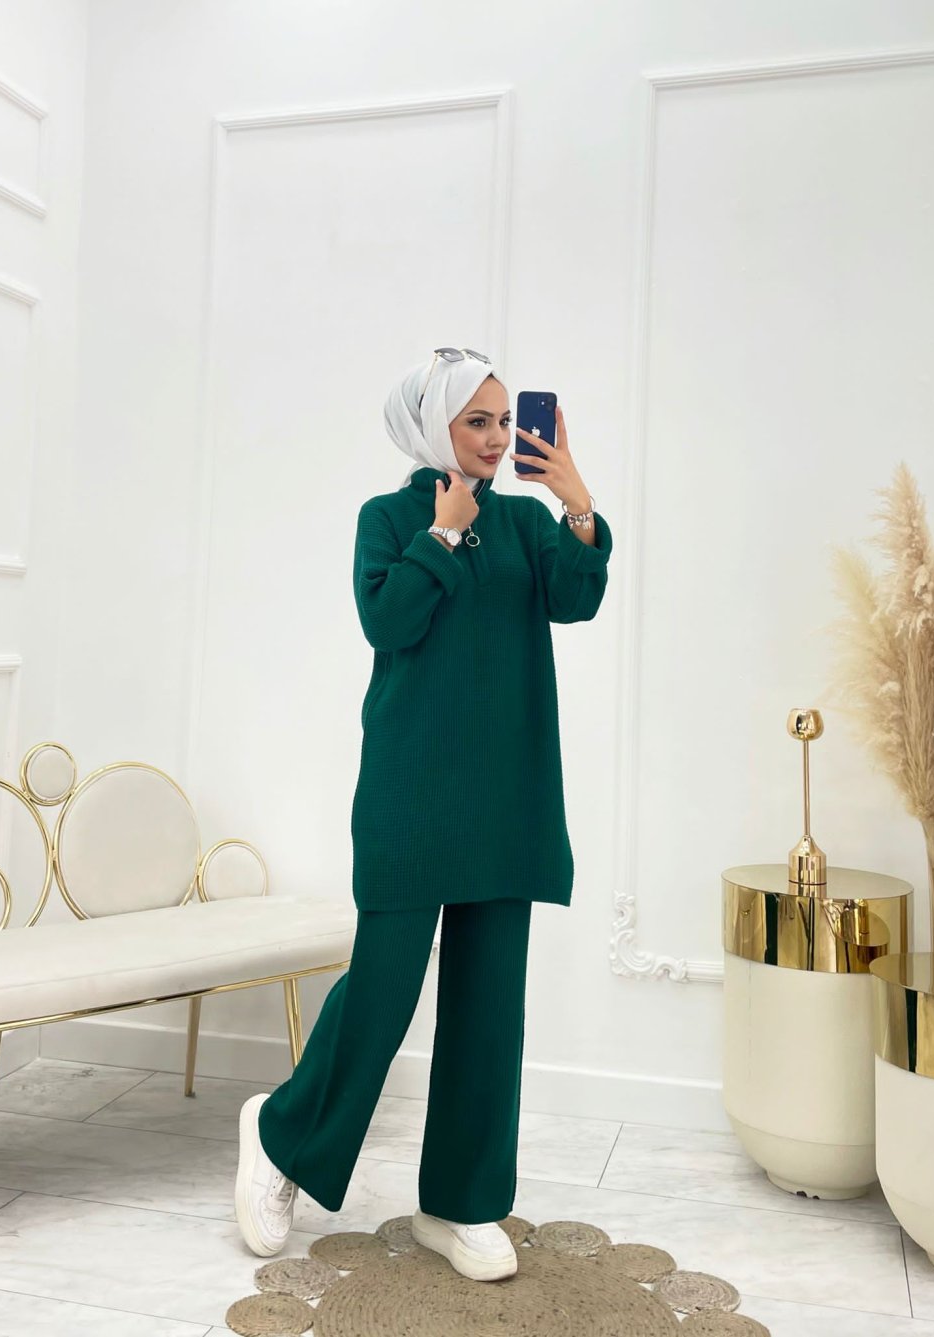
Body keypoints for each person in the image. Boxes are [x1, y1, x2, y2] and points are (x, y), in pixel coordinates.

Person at [233, 347, 613, 1282]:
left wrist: (576, 503)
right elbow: (390, 622)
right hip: (411, 793)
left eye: (503, 421)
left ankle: (461, 1202)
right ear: (431, 426)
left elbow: (578, 597)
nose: (495, 438)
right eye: (475, 421)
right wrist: (441, 535)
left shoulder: (526, 522)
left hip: (508, 796)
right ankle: (281, 1136)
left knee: (490, 1008)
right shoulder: (390, 518)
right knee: (383, 988)